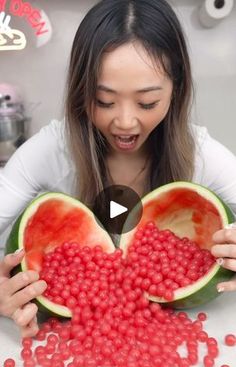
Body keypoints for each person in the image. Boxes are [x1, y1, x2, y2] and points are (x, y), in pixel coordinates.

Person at [0, 0, 236, 337]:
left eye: (147, 102)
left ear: (176, 89)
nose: (125, 122)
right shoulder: (50, 149)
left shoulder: (201, 154)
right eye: (104, 101)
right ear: (81, 92)